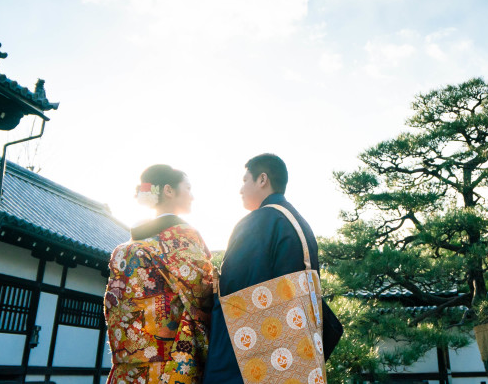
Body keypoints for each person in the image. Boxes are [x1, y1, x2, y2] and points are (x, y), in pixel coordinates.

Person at [202, 153, 342, 384]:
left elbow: (233, 288)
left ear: (262, 179)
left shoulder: (259, 221)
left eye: (245, 180)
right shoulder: (298, 221)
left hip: (262, 350)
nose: (241, 189)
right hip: (297, 344)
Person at [104, 164, 213, 384]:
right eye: (188, 188)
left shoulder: (125, 250)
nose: (192, 196)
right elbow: (203, 293)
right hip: (173, 365)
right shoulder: (185, 238)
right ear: (168, 190)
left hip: (131, 370)